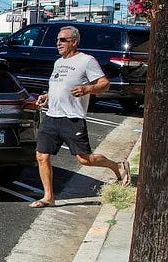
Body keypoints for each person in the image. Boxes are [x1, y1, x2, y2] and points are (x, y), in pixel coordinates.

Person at [30, 25, 131, 208]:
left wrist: (87, 89)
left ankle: (117, 166)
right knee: (41, 156)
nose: (58, 43)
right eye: (57, 40)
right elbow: (59, 86)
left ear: (74, 42)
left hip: (72, 118)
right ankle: (48, 197)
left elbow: (105, 84)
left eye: (63, 40)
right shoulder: (58, 62)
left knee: (84, 159)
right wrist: (47, 96)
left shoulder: (86, 61)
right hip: (52, 115)